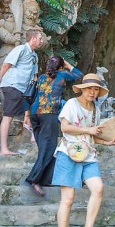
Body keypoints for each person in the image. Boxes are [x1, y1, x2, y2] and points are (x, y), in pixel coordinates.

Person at [53, 73, 115, 227]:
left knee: (98, 188)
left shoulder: (96, 111)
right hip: (68, 153)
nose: (93, 92)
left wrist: (106, 141)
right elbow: (65, 127)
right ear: (83, 89)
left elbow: (92, 135)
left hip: (88, 155)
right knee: (68, 199)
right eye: (90, 88)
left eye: (96, 89)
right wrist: (88, 129)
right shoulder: (71, 104)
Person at [26, 56, 83, 196]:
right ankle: (34, 179)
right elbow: (80, 75)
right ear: (61, 67)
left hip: (35, 114)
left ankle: (47, 179)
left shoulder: (41, 77)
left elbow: (30, 96)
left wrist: (26, 116)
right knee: (49, 147)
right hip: (48, 114)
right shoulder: (62, 74)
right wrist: (68, 65)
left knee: (45, 148)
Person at [0, 28, 47, 156]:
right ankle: (3, 149)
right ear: (33, 38)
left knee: (33, 110)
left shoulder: (34, 55)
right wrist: (3, 81)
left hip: (25, 89)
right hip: (13, 85)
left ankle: (33, 137)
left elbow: (34, 75)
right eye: (40, 38)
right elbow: (6, 65)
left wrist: (36, 90)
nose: (41, 41)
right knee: (8, 116)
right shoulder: (21, 49)